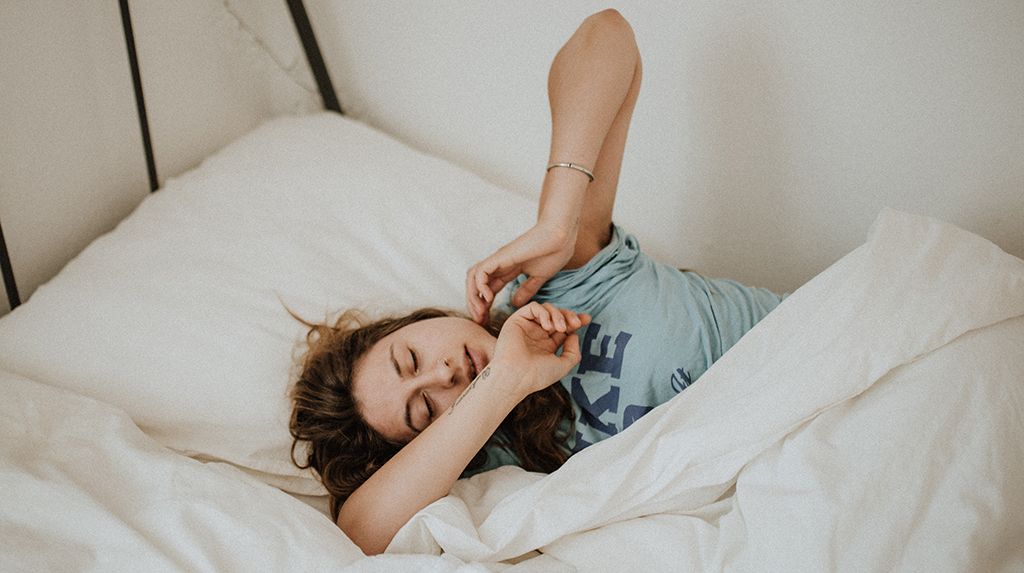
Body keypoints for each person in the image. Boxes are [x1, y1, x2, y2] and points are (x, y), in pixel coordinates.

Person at [288, 10, 783, 556]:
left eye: (411, 359)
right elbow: (362, 533)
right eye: (425, 409)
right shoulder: (502, 462)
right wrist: (502, 384)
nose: (444, 373)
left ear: (421, 322)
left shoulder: (561, 283)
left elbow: (608, 36)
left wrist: (558, 219)